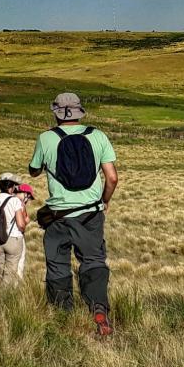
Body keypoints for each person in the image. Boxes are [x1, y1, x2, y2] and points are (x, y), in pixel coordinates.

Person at [29, 92, 118, 336]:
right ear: (80, 111)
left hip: (58, 216)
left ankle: (62, 315)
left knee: (58, 264)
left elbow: (34, 171)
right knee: (93, 260)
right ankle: (98, 308)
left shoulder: (46, 138)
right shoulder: (98, 136)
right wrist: (104, 201)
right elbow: (112, 177)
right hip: (90, 214)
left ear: (56, 112)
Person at [14, 183, 37, 280]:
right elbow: (25, 220)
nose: (28, 200)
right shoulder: (19, 204)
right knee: (19, 263)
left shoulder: (5, 199)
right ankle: (16, 287)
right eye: (29, 196)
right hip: (17, 236)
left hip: (1, 237)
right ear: (24, 193)